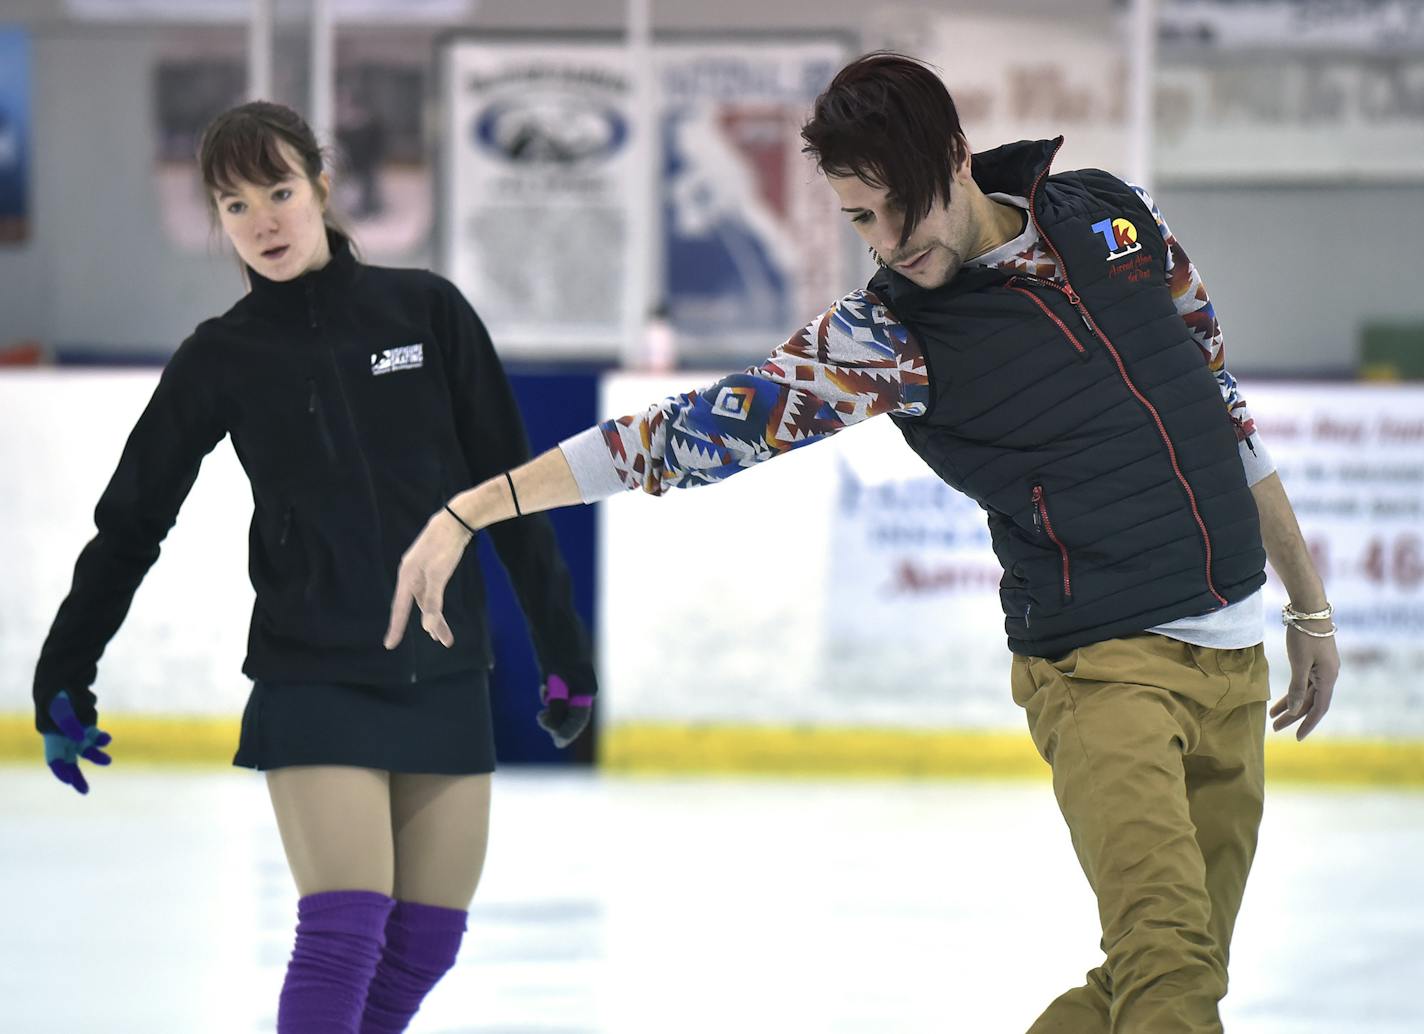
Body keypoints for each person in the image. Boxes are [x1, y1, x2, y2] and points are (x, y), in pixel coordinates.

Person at [387, 53, 1341, 1033]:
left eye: (899, 207)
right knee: (1170, 979)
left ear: (956, 156)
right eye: (856, 219)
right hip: (1100, 666)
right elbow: (693, 432)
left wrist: (1303, 601)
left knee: (1150, 981)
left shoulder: (1111, 214)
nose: (886, 243)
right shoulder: (889, 334)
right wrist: (478, 505)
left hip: (1232, 656)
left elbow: (1218, 408)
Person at [32, 100, 597, 1034]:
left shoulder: (427, 310)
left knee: (425, 945)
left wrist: (562, 647)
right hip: (314, 672)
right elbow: (131, 524)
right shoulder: (222, 357)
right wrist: (65, 670)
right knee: (343, 934)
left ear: (323, 187)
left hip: (445, 670)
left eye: (280, 191)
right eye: (235, 205)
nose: (263, 221)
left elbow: (515, 488)